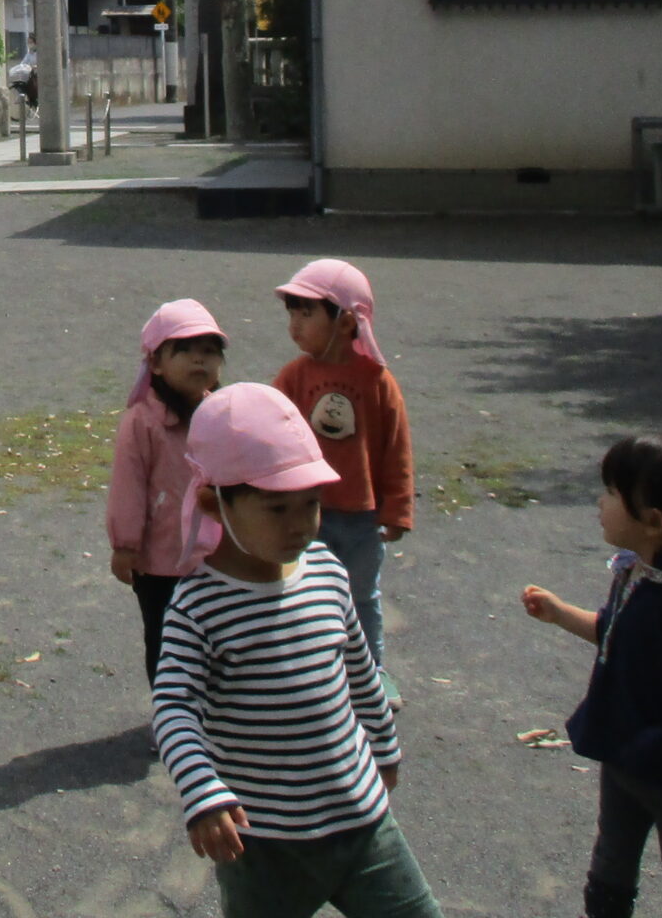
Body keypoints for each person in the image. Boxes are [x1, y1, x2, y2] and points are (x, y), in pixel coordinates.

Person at [155, 383, 445, 918]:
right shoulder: (197, 607)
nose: (300, 524)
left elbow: (360, 672)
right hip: (264, 844)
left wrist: (383, 747)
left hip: (362, 821)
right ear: (211, 502)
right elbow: (174, 708)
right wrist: (203, 793)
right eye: (277, 508)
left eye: (311, 503)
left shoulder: (328, 572)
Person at [521, 436, 662, 918]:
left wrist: (657, 748)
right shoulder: (639, 577)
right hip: (624, 758)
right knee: (610, 864)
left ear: (653, 522)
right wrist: (559, 614)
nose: (600, 503)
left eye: (612, 494)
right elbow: (612, 632)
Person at [272, 259, 413, 689]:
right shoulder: (295, 375)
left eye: (307, 313)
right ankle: (307, 672)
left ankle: (372, 676)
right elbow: (271, 428)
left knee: (361, 597)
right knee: (299, 594)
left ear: (347, 321)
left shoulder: (376, 380)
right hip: (307, 512)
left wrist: (398, 510)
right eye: (292, 313)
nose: (295, 325)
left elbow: (396, 447)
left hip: (362, 519)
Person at [106, 298, 228, 685]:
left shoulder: (223, 414)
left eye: (209, 352)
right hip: (160, 561)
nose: (199, 361)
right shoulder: (141, 422)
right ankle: (170, 716)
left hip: (216, 558)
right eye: (185, 351)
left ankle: (213, 713)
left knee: (218, 637)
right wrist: (125, 545)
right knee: (165, 640)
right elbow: (128, 486)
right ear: (155, 363)